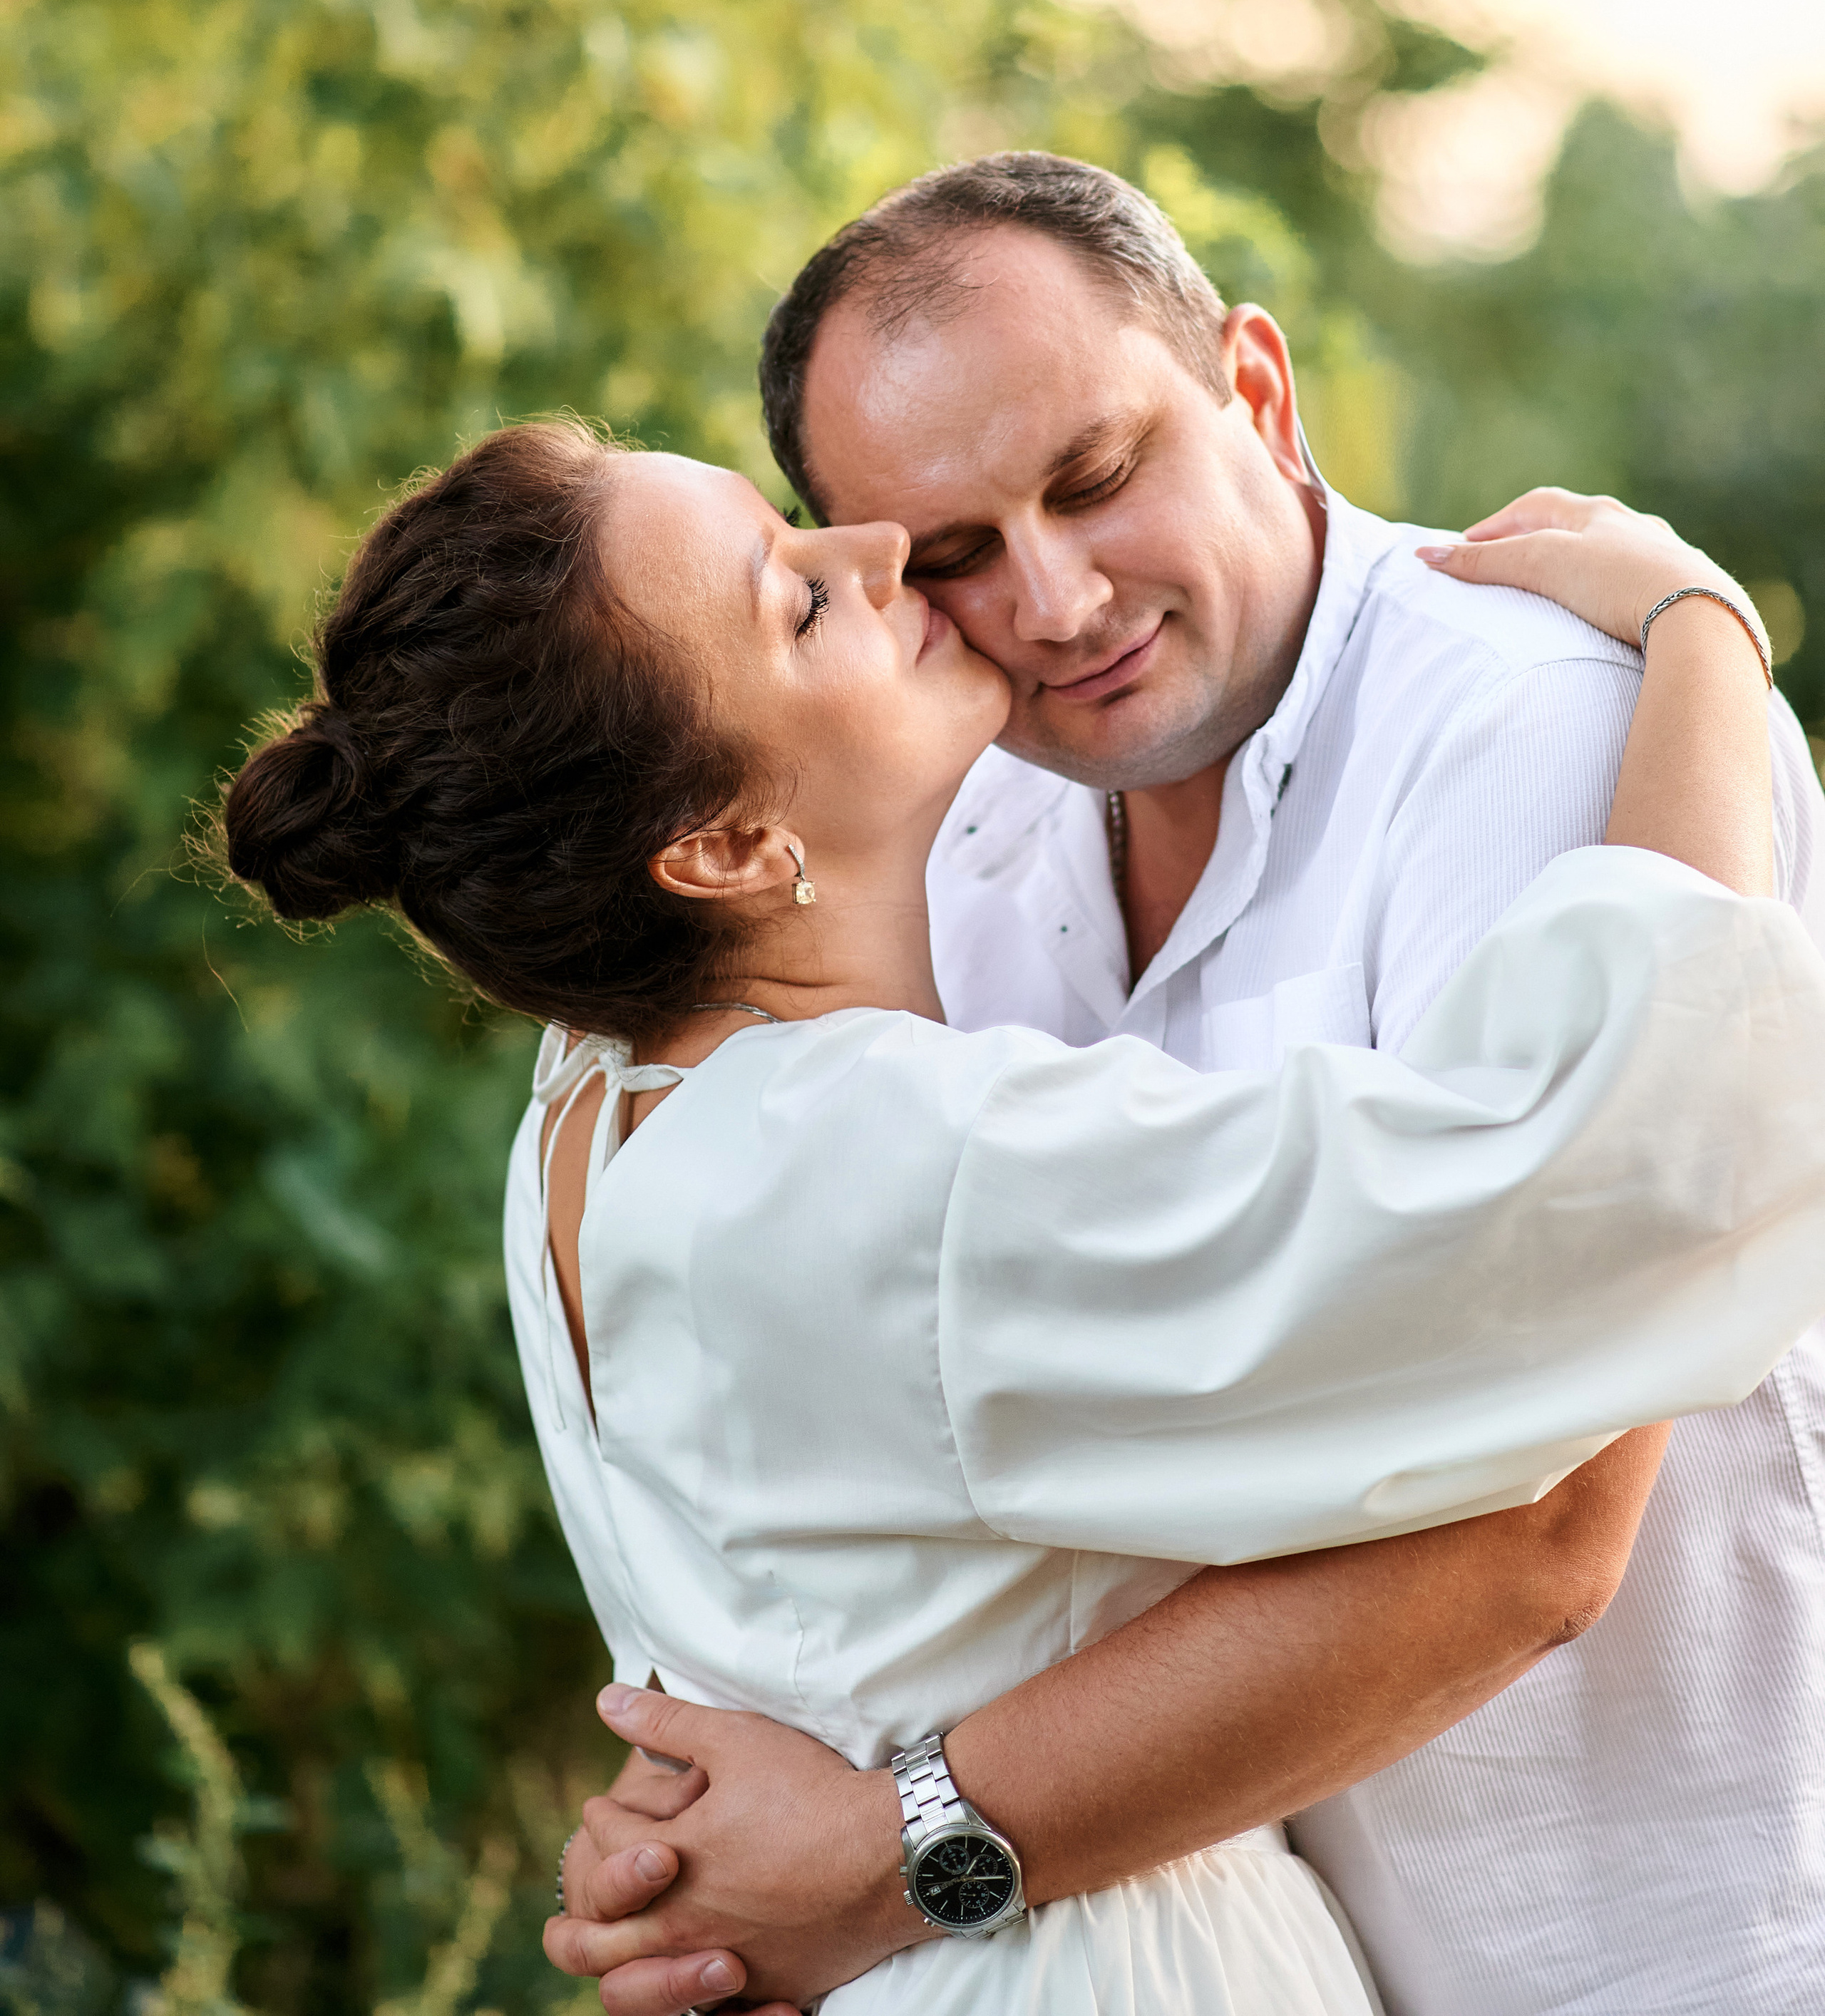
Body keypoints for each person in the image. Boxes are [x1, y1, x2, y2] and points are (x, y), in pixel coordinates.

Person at [217, 394, 1825, 2012]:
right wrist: (1701, 636)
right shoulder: (894, 1163)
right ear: (723, 848)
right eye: (798, 598)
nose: (880, 552)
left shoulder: (591, 1099)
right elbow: (1579, 1185)